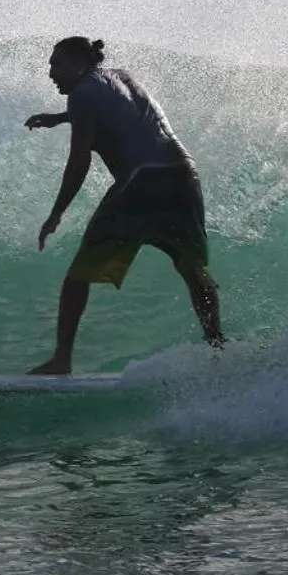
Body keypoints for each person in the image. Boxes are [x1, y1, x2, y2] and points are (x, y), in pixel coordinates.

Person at [24, 36, 223, 374]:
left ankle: (61, 359)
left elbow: (79, 161)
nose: (50, 73)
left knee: (78, 276)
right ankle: (218, 347)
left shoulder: (81, 94)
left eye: (56, 64)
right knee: (193, 271)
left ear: (77, 63)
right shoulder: (122, 77)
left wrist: (56, 213)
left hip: (142, 183)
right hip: (183, 175)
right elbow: (118, 111)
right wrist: (61, 118)